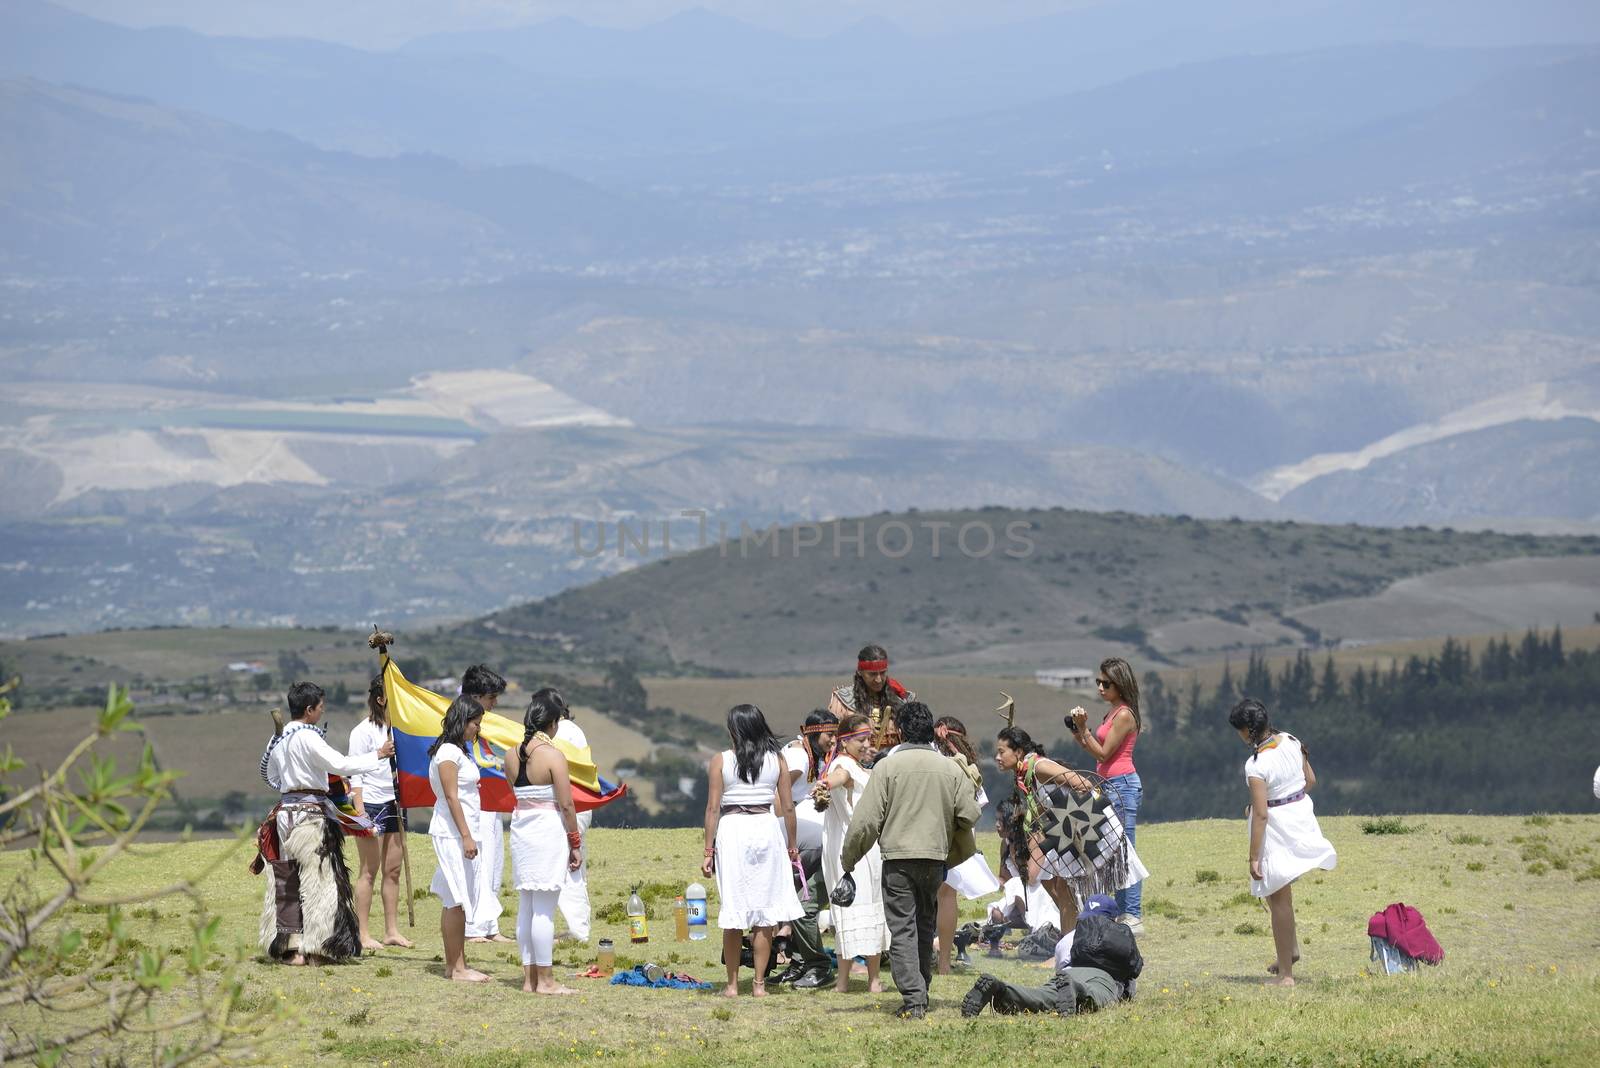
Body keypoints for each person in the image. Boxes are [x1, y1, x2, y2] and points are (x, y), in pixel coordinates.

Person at [840, 701, 981, 1020]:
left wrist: (848, 859)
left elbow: (866, 822)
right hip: (935, 860)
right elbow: (970, 813)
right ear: (931, 731)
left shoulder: (887, 767)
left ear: (900, 731)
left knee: (902, 929)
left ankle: (915, 998)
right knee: (923, 926)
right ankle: (922, 989)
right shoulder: (949, 768)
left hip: (898, 861)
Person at [254, 681, 393, 965]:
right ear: (309, 709)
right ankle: (318, 948)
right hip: (309, 818)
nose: (321, 711)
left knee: (287, 880)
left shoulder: (278, 739)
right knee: (319, 881)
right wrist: (377, 755)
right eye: (320, 707)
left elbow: (270, 775)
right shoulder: (308, 737)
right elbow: (339, 764)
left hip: (286, 816)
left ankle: (291, 950)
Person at [994, 726, 1147, 936]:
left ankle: (1069, 949)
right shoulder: (1028, 774)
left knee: (1067, 889)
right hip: (1072, 830)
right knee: (1063, 888)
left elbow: (1083, 784)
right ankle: (1073, 942)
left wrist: (1069, 825)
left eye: (1002, 752)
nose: (997, 757)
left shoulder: (1040, 767)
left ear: (1018, 752)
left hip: (1090, 827)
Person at [1230, 697, 1337, 986]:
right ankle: (1288, 950)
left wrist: (1253, 857)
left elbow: (1262, 814)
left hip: (1275, 827)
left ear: (1246, 731)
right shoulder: (1291, 740)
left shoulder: (1256, 765)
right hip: (1299, 816)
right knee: (1278, 894)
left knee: (1277, 897)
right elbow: (1309, 780)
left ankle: (1286, 975)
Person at [701, 704, 805, 998]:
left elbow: (712, 808)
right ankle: (759, 984)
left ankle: (733, 985)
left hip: (733, 829)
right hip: (766, 827)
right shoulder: (777, 760)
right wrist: (792, 845)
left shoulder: (721, 760)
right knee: (765, 913)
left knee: (734, 909)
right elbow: (787, 807)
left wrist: (708, 850)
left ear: (736, 730)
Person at [504, 689, 583, 995]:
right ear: (552, 723)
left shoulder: (511, 755)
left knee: (526, 906)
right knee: (544, 910)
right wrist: (574, 841)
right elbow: (567, 805)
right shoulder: (553, 756)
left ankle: (528, 979)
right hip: (547, 830)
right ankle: (546, 981)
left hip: (521, 828)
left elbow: (515, 791)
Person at [960, 894, 1141, 1017]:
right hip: (1102, 978)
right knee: (1094, 996)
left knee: (1041, 996)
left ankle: (1002, 989)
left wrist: (1066, 980)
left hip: (1070, 973)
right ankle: (1078, 990)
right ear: (1114, 918)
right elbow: (1132, 972)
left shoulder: (1070, 937)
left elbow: (1061, 968)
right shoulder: (1120, 934)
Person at [1066, 656, 1146, 932]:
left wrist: (1085, 729)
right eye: (1098, 682)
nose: (1100, 688)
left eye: (1106, 683)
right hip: (1108, 783)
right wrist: (1080, 731)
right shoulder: (1112, 712)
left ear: (1120, 684)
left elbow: (1104, 752)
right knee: (1111, 849)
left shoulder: (1124, 714)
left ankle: (1132, 913)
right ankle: (1122, 911)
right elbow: (1095, 750)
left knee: (1124, 850)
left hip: (1121, 784)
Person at [814, 714, 891, 993]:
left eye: (868, 738)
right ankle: (848, 980)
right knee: (848, 908)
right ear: (845, 742)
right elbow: (839, 777)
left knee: (869, 908)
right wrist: (826, 784)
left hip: (867, 847)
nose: (866, 744)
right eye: (861, 739)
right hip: (850, 847)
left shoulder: (860, 766)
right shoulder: (843, 764)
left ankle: (871, 980)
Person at [428, 695, 492, 982]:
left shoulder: (458, 751)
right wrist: (466, 836)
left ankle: (457, 964)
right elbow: (452, 797)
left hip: (463, 830)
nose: (477, 728)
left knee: (456, 898)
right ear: (462, 721)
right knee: (456, 899)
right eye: (474, 722)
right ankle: (456, 968)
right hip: (452, 832)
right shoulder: (447, 754)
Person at [347, 673, 412, 950]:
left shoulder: (400, 729)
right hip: (371, 803)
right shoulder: (361, 732)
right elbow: (354, 773)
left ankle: (391, 930)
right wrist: (360, 811)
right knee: (369, 870)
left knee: (393, 870)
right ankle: (362, 933)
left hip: (396, 802)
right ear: (381, 698)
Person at [933, 715, 1001, 973]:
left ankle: (932, 956)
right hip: (961, 838)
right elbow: (978, 806)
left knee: (930, 898)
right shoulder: (969, 766)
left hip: (935, 833)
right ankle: (944, 963)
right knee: (948, 896)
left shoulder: (935, 761)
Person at [776, 709, 838, 988]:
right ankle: (804, 962)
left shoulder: (811, 755)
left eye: (837, 735)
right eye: (829, 735)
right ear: (813, 734)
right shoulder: (799, 756)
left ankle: (809, 962)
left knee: (801, 904)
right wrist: (785, 829)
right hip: (796, 840)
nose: (833, 740)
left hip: (811, 840)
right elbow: (779, 795)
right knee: (796, 903)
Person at [460, 664, 511, 944]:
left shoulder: (486, 725)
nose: (495, 704)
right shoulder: (462, 724)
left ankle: (490, 926)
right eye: (491, 698)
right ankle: (472, 928)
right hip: (472, 804)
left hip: (489, 803)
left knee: (493, 864)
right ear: (477, 696)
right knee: (476, 864)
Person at [550, 690, 593, 942]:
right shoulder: (574, 730)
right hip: (578, 805)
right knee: (575, 865)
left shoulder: (562, 732)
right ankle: (578, 926)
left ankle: (577, 929)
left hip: (570, 805)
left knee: (570, 866)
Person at [828, 644, 914, 750]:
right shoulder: (842, 701)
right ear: (860, 672)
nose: (878, 679)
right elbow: (831, 742)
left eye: (882, 673)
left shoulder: (900, 700)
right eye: (872, 674)